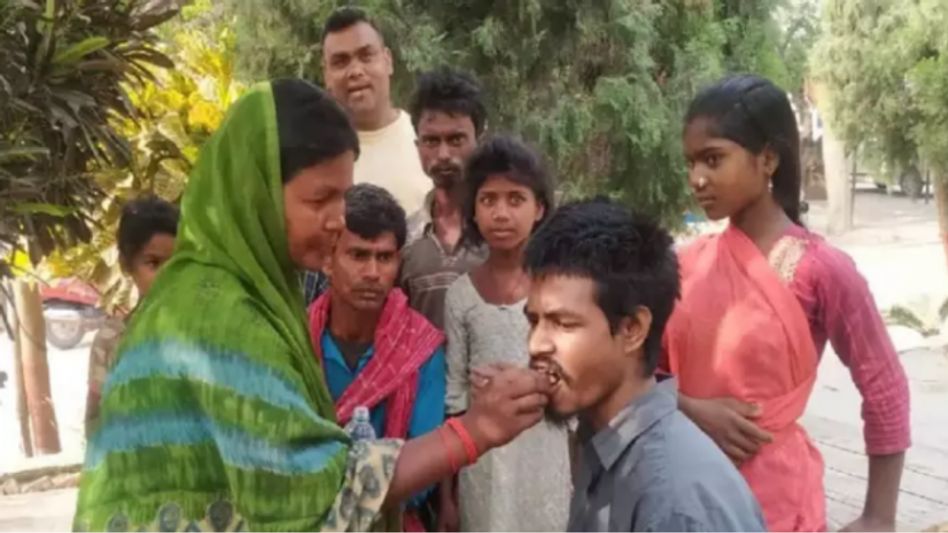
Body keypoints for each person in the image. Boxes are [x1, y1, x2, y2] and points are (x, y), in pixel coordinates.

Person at [73, 79, 553, 532]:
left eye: (342, 197)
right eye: (320, 198)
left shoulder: (217, 291)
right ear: (254, 192)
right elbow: (309, 492)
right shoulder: (217, 317)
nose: (337, 220)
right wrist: (475, 430)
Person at [664, 74, 911, 532]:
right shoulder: (684, 265)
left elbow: (885, 387)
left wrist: (879, 516)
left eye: (713, 159)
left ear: (768, 159)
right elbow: (642, 375)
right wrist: (689, 408)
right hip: (682, 488)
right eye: (691, 162)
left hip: (775, 501)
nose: (697, 178)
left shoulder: (820, 269)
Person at [522, 198, 766, 532]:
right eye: (533, 321)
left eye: (563, 324)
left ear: (632, 329)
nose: (536, 344)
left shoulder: (672, 503)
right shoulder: (601, 442)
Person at [443, 136, 570, 532]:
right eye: (489, 200)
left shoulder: (560, 289)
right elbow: (455, 399)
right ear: (474, 212)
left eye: (515, 199)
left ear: (540, 209)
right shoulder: (461, 295)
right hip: (480, 460)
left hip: (546, 454)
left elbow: (574, 386)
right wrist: (447, 498)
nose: (501, 213)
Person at [308, 183, 445, 531]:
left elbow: (423, 476)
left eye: (384, 257)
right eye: (357, 255)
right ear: (328, 259)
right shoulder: (298, 340)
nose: (372, 273)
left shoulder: (421, 348)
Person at [401, 67, 488, 329]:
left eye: (456, 139)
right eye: (431, 141)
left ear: (479, 141)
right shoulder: (404, 239)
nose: (443, 154)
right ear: (418, 147)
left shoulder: (504, 230)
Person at [84, 196, 178, 436]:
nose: (169, 275)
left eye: (178, 263)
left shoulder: (208, 328)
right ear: (127, 264)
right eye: (154, 263)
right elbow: (95, 424)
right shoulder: (111, 340)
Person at [321, 6, 429, 214]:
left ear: (388, 61)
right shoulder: (316, 156)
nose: (355, 71)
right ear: (326, 74)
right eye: (341, 62)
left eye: (366, 56)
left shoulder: (429, 143)